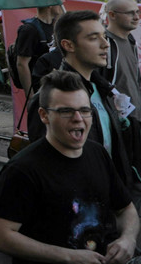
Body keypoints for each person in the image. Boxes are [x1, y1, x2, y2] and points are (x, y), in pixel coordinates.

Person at [0, 70, 139, 264]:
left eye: (85, 110)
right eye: (67, 112)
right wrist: (69, 257)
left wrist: (128, 240)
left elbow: (126, 209)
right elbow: (0, 235)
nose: (79, 119)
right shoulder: (22, 170)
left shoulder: (97, 153)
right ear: (44, 116)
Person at [25, 10, 138, 185]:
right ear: (68, 45)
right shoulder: (50, 98)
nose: (105, 44)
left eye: (104, 36)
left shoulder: (103, 90)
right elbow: (45, 163)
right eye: (93, 38)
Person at [12, 3, 61, 96]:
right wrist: (30, 96)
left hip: (52, 88)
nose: (61, 3)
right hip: (39, 89)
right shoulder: (29, 29)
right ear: (50, 4)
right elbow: (22, 64)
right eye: (58, 0)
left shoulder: (55, 27)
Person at [103, 0, 141, 111]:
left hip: (135, 116)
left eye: (137, 12)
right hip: (117, 118)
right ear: (112, 15)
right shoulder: (104, 43)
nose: (136, 17)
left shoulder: (131, 41)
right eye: (130, 13)